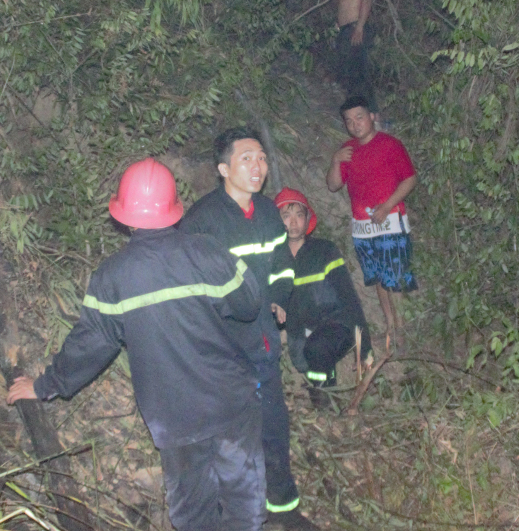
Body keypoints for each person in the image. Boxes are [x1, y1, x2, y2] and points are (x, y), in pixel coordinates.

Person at [7, 158, 268, 531]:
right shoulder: (207, 252)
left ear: (125, 217)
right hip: (232, 403)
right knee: (244, 511)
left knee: (194, 516)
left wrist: (44, 385)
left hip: (175, 417)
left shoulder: (111, 278)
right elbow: (248, 303)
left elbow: (89, 345)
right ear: (174, 210)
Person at [179, 128, 318, 531]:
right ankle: (232, 517)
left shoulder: (271, 213)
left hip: (262, 344)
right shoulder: (202, 221)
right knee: (229, 441)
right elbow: (189, 288)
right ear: (224, 168)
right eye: (247, 159)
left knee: (274, 427)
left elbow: (283, 264)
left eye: (261, 158)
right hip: (221, 352)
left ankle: (284, 510)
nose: (258, 167)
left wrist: (278, 293)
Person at [326, 96, 417, 347]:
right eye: (349, 121)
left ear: (372, 116)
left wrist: (387, 206)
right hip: (363, 227)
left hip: (391, 222)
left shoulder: (390, 145)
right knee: (378, 278)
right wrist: (335, 161)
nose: (355, 124)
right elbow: (333, 185)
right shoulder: (347, 151)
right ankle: (390, 326)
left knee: (395, 278)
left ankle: (402, 332)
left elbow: (410, 179)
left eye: (360, 117)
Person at [273, 188, 372, 408]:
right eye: (286, 215)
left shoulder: (324, 251)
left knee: (318, 348)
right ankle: (324, 404)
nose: (294, 221)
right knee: (309, 358)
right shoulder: (274, 259)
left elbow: (349, 298)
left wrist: (364, 346)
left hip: (337, 324)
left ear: (307, 219)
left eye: (299, 214)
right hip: (300, 333)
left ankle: (327, 409)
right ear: (276, 220)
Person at [333, 0, 377, 113]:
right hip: (345, 29)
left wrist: (359, 27)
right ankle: (360, 117)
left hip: (355, 29)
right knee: (350, 76)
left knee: (359, 76)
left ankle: (373, 117)